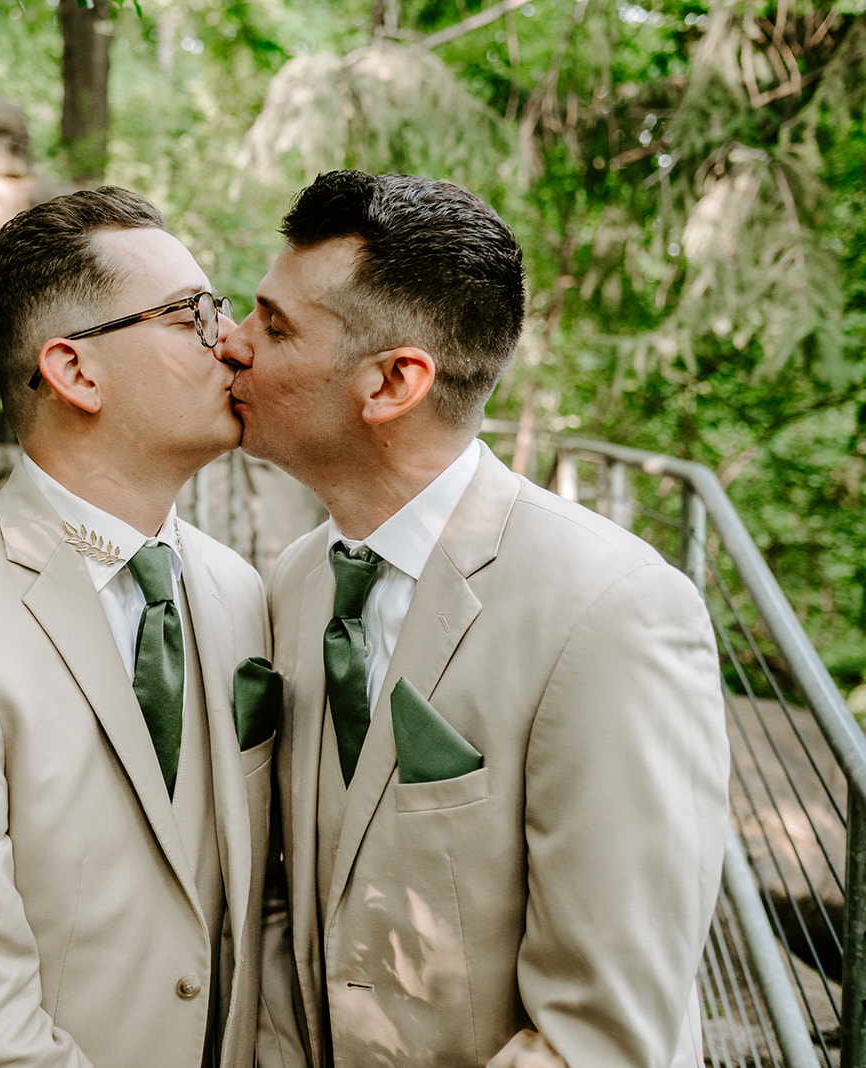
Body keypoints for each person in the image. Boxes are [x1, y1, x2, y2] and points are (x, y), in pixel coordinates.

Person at [216, 170, 729, 1068]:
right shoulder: (296, 582)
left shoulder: (613, 612)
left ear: (392, 383)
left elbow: (605, 1037)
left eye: (276, 324)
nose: (232, 342)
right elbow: (285, 906)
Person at [0, 186, 303, 1068]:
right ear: (75, 372)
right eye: (192, 315)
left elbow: (261, 909)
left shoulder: (239, 592)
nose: (232, 341)